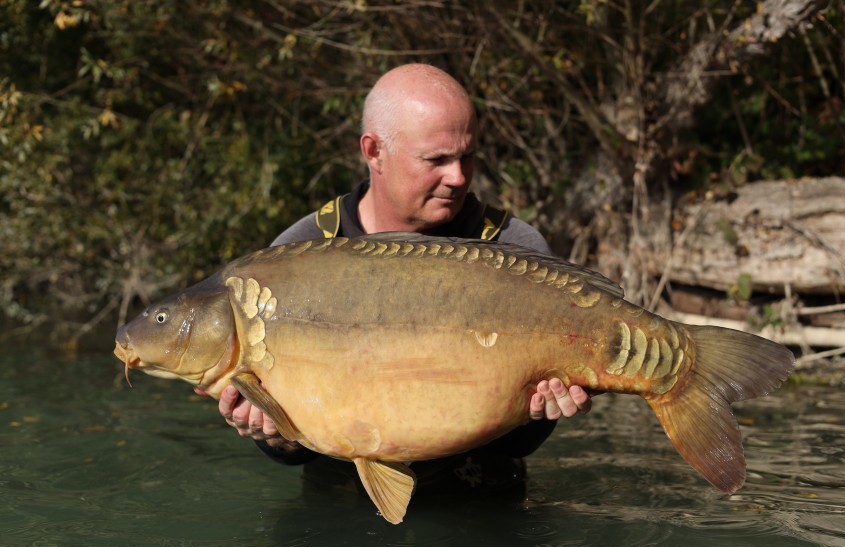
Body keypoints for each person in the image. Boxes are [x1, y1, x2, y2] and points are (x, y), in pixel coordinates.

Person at [217, 63, 592, 497]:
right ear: (373, 151)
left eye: (467, 156)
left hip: (478, 507)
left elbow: (520, 447)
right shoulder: (300, 254)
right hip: (342, 514)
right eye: (436, 160)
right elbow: (292, 454)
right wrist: (274, 434)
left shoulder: (509, 246)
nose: (458, 177)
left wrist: (536, 414)